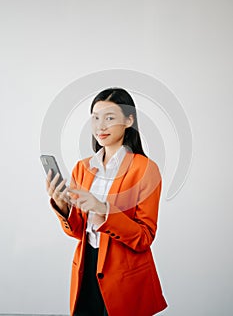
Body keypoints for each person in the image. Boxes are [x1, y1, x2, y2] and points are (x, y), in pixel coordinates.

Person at [45, 87, 168, 316]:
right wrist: (62, 207)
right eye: (95, 118)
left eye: (110, 118)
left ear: (129, 120)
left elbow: (145, 237)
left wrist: (105, 210)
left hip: (124, 276)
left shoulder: (145, 169)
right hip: (86, 267)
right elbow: (78, 232)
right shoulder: (82, 168)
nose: (100, 126)